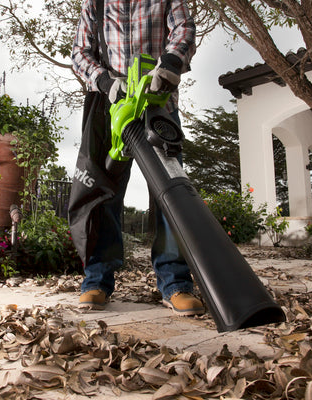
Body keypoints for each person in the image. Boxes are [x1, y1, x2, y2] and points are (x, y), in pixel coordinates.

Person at [68, 0, 204, 316]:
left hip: (159, 110)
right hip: (111, 111)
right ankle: (97, 279)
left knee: (170, 196)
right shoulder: (96, 3)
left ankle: (176, 283)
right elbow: (79, 52)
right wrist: (103, 80)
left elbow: (184, 29)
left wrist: (169, 64)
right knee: (104, 196)